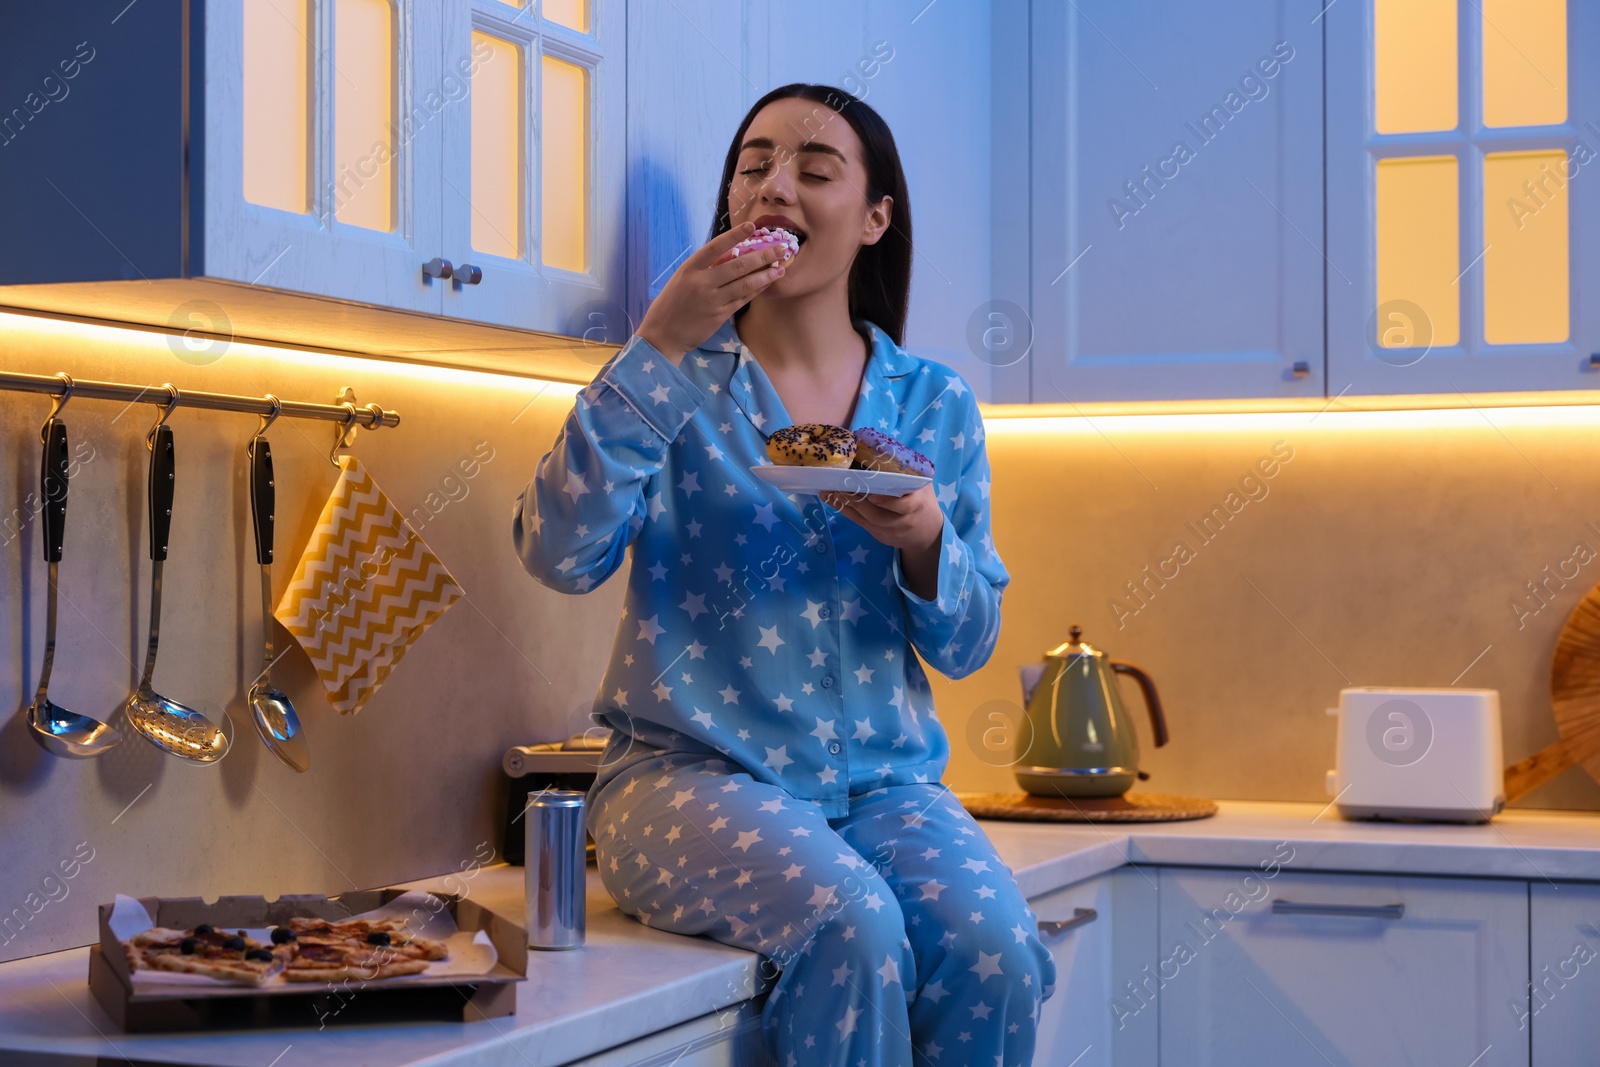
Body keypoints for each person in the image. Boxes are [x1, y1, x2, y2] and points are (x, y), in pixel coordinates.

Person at [512, 82, 1056, 1067]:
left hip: (886, 790)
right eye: (754, 166)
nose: (774, 187)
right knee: (850, 921)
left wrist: (925, 530)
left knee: (998, 948)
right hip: (687, 781)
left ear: (875, 217)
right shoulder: (674, 381)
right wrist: (658, 344)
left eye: (814, 169)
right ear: (729, 205)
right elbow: (558, 551)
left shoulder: (932, 403)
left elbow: (968, 643)